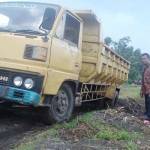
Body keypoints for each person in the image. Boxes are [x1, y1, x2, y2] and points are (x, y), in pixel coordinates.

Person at [141, 53, 150, 125]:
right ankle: (147, 114)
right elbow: (143, 80)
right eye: (142, 59)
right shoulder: (144, 68)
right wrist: (142, 90)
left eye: (144, 58)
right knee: (147, 102)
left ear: (148, 59)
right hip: (146, 90)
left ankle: (148, 118)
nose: (143, 60)